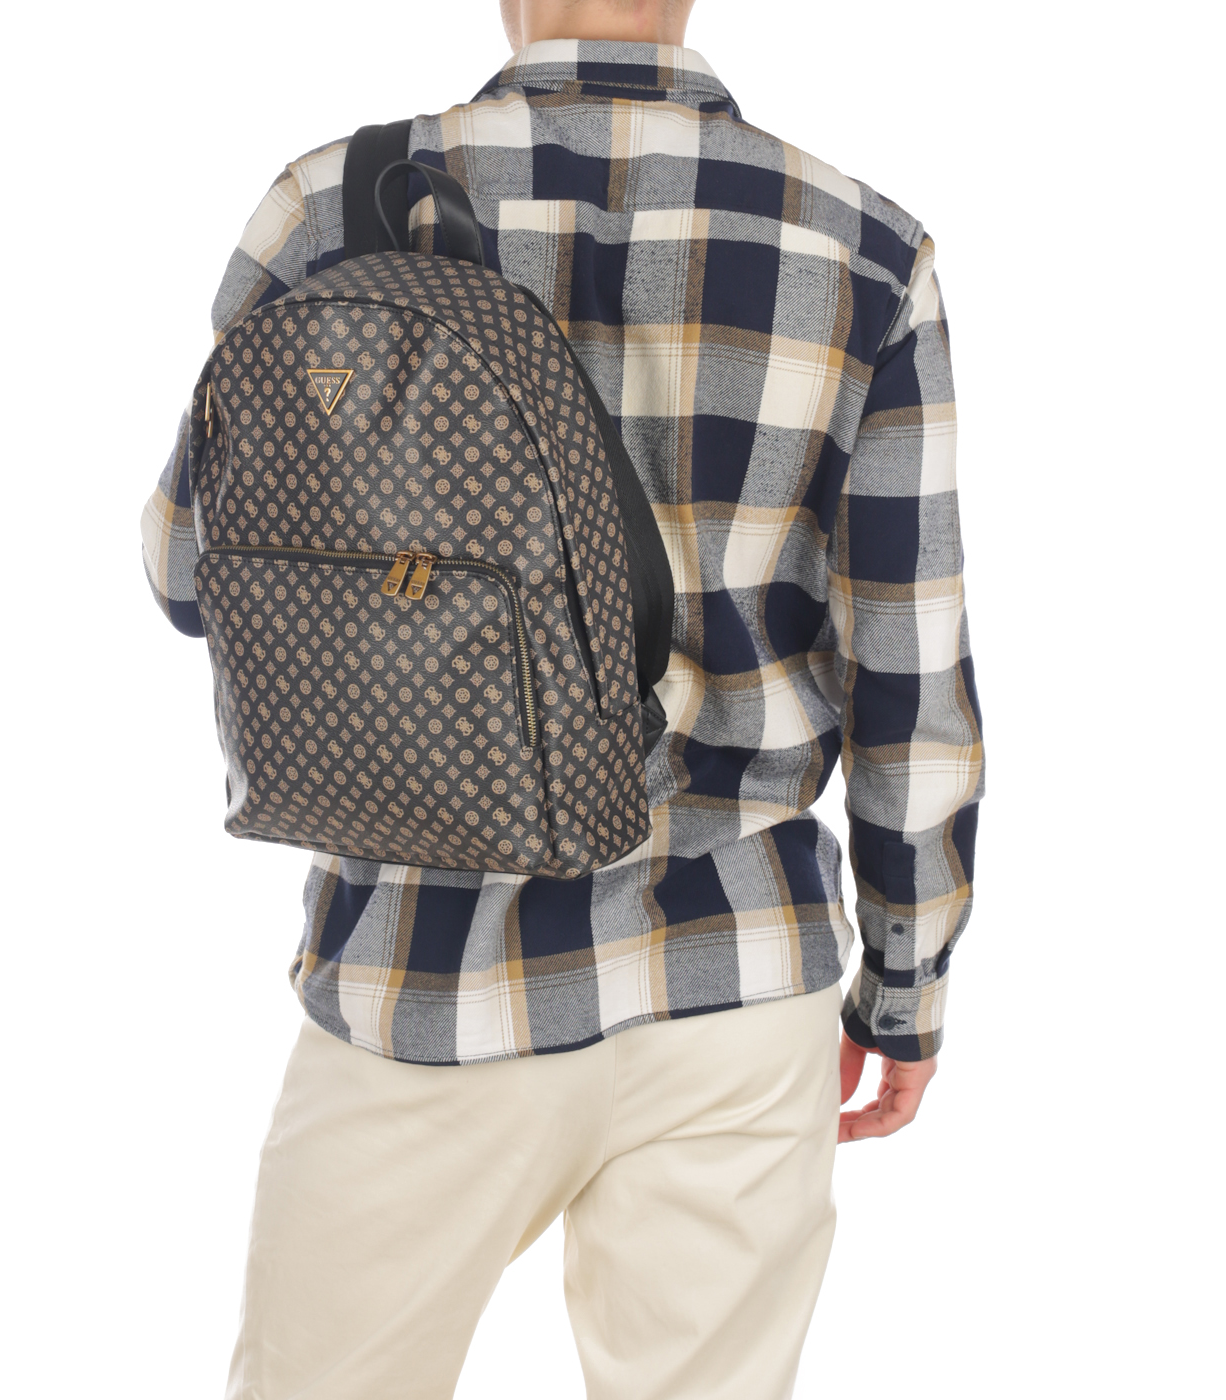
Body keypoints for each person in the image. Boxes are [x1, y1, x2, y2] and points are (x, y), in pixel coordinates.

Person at [140, 0, 984, 1395]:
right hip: (738, 976)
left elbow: (191, 577)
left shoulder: (335, 205)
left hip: (422, 975)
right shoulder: (864, 247)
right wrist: (905, 990)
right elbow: (911, 674)